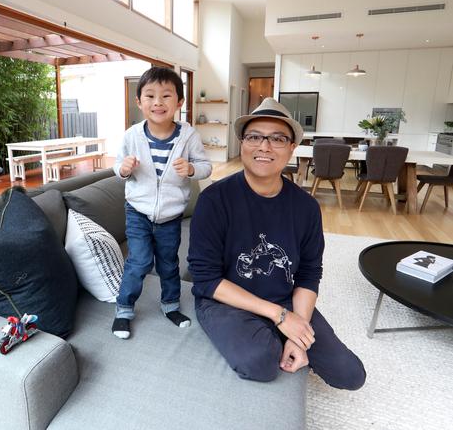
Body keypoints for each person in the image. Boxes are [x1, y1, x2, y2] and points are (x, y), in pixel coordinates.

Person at [188, 97, 366, 389]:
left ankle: (274, 334)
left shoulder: (306, 207)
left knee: (350, 374)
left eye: (278, 139)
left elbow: (309, 273)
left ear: (292, 147)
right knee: (261, 362)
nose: (264, 147)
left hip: (282, 295)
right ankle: (267, 335)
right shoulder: (214, 200)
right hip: (225, 301)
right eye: (254, 137)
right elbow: (206, 280)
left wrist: (297, 329)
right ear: (242, 143)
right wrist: (280, 317)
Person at [112, 67, 212, 339]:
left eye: (166, 96)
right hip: (138, 212)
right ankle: (124, 309)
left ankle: (170, 306)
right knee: (140, 261)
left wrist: (191, 169)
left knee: (169, 264)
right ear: (139, 102)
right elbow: (116, 168)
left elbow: (206, 167)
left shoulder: (188, 136)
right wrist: (124, 168)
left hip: (170, 216)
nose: (158, 102)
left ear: (179, 102)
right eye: (150, 96)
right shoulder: (132, 135)